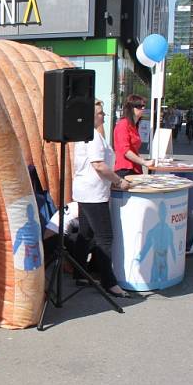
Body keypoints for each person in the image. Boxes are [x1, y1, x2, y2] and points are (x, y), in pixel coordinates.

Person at [71, 99, 133, 298]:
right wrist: (118, 181)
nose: (103, 116)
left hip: (86, 191)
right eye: (100, 113)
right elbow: (98, 165)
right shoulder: (93, 137)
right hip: (93, 193)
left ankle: (80, 273)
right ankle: (109, 282)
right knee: (105, 237)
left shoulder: (88, 135)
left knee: (86, 234)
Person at [113, 94, 154, 178]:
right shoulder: (123, 124)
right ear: (131, 108)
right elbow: (125, 151)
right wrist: (144, 162)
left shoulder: (134, 125)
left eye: (143, 106)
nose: (143, 108)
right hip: (125, 169)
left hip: (135, 168)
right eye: (139, 106)